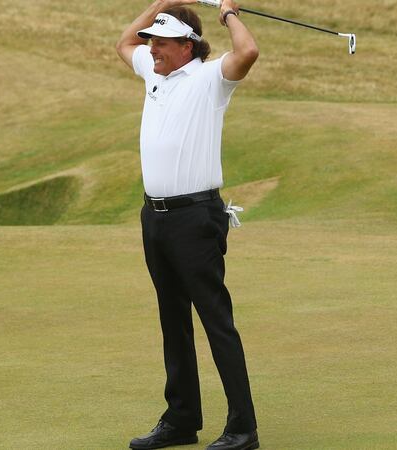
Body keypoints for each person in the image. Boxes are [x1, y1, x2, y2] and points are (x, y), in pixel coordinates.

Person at [115, 1, 260, 449]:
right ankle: (181, 419)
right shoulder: (153, 72)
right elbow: (123, 42)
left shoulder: (210, 77)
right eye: (152, 40)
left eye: (161, 41)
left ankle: (242, 428)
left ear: (187, 46)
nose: (151, 47)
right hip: (153, 217)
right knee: (172, 320)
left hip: (196, 218)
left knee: (216, 320)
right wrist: (159, 5)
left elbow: (249, 52)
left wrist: (229, 13)